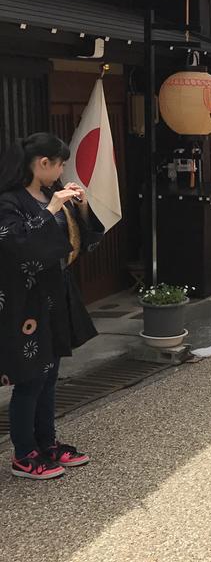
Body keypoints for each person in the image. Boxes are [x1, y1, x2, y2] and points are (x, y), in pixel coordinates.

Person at [0, 133, 104, 480]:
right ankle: (23, 453)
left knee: (50, 376)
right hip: (24, 301)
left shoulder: (48, 194)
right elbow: (17, 246)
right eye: (59, 163)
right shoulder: (9, 201)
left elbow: (82, 238)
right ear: (43, 163)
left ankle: (47, 443)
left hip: (54, 294)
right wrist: (52, 210)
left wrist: (82, 206)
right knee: (30, 378)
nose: (62, 170)